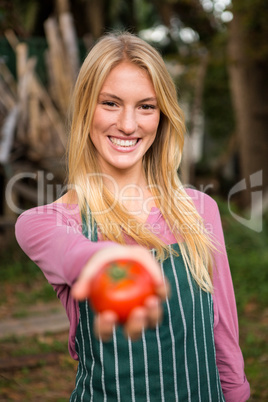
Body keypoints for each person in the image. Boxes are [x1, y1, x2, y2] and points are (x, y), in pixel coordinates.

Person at [15, 32, 250, 401]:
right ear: (85, 109)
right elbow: (77, 255)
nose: (128, 125)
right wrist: (111, 260)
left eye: (146, 106)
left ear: (163, 116)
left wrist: (236, 395)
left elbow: (222, 334)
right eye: (110, 103)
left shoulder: (199, 209)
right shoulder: (48, 223)